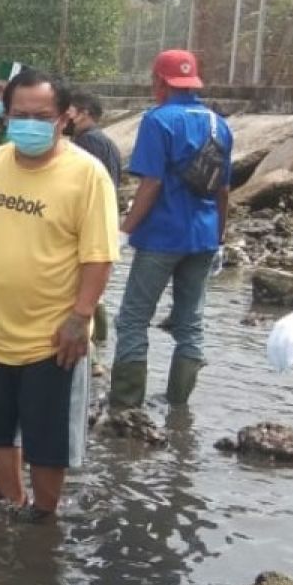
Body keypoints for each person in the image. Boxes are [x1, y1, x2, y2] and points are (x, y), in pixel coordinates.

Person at [0, 68, 119, 517]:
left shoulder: (87, 175)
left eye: (41, 115)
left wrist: (81, 317)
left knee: (48, 445)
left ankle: (44, 519)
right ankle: (13, 504)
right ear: (6, 114)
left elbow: (99, 255)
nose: (29, 123)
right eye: (20, 114)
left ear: (64, 117)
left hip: (53, 339)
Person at [110, 49, 232, 410]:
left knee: (133, 318)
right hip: (204, 236)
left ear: (160, 81)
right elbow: (223, 189)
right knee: (190, 322)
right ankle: (178, 405)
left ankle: (125, 404)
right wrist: (219, 237)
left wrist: (122, 231)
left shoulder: (158, 120)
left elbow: (152, 184)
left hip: (162, 236)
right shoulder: (218, 124)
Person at [68, 89, 123, 377]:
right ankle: (99, 345)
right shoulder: (108, 143)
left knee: (82, 291)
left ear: (85, 113)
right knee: (96, 289)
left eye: (71, 110)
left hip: (88, 225)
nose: (67, 116)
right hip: (106, 221)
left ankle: (91, 356)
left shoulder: (86, 143)